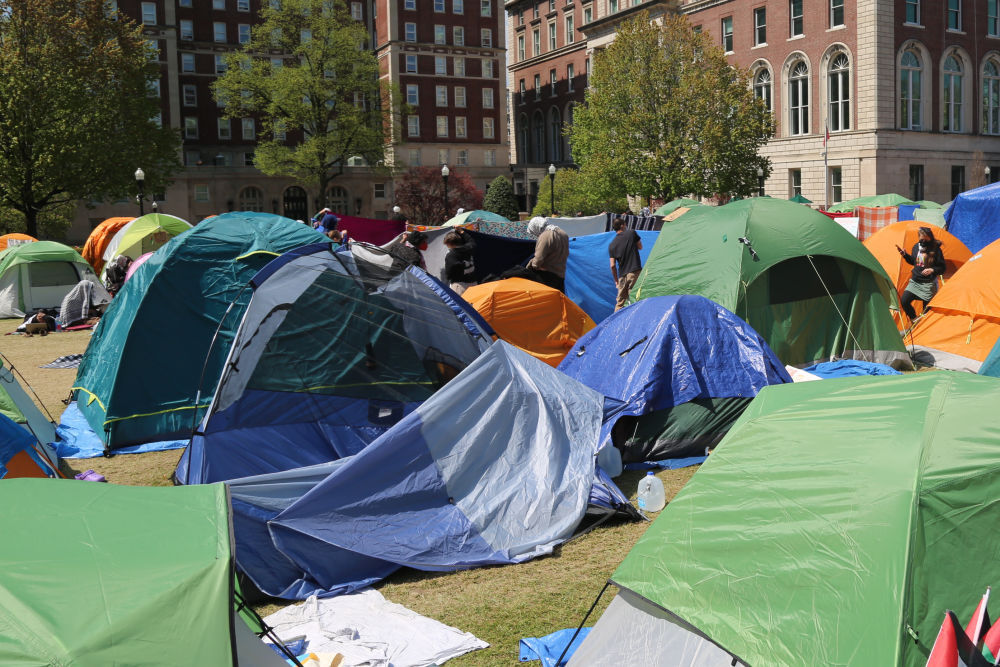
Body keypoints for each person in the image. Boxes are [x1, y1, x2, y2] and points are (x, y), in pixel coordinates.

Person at [896, 226, 946, 323]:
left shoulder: (936, 250)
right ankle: (914, 320)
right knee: (904, 301)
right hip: (915, 282)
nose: (923, 241)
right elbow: (914, 262)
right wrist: (905, 255)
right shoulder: (916, 247)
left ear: (930, 237)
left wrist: (932, 269)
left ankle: (923, 328)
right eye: (921, 239)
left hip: (929, 285)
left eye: (925, 239)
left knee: (926, 314)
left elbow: (942, 268)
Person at [526, 216, 569, 292]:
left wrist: (531, 265)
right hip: (561, 276)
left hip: (547, 278)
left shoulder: (545, 236)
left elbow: (538, 259)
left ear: (536, 227)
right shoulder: (563, 234)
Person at [609, 217, 643, 311]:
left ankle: (616, 319)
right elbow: (640, 247)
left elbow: (612, 265)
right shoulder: (631, 233)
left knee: (620, 303)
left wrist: (616, 281)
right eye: (625, 225)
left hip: (622, 277)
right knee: (636, 298)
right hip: (634, 272)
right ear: (622, 225)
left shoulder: (612, 245)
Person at [443, 228, 477, 294]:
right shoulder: (469, 248)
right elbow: (471, 241)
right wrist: (461, 231)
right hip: (473, 283)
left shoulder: (451, 255)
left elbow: (448, 274)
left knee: (458, 301)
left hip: (459, 286)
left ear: (449, 243)